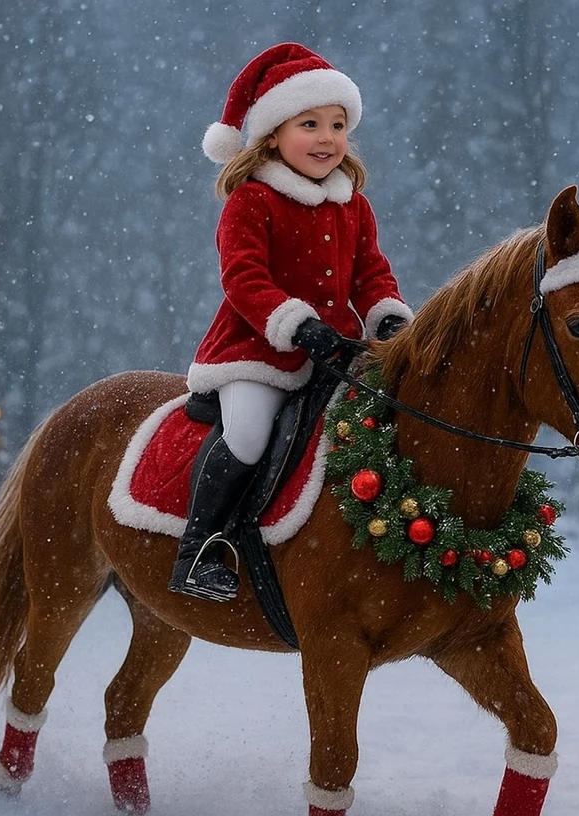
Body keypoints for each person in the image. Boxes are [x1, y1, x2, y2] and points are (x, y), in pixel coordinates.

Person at [170, 42, 413, 602]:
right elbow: (244, 278)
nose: (327, 138)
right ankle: (197, 549)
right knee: (250, 436)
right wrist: (296, 325)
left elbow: (371, 274)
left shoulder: (355, 206)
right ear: (272, 134)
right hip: (255, 352)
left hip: (338, 349)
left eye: (337, 124)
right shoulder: (251, 202)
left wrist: (388, 317)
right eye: (310, 124)